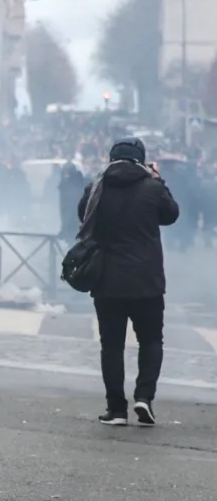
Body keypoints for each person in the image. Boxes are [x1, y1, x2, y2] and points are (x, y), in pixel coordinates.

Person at [83, 137, 180, 426]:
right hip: (146, 280)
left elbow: (82, 216)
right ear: (141, 160)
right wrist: (160, 181)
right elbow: (171, 215)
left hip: (107, 280)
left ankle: (116, 410)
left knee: (111, 345)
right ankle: (144, 397)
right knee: (151, 340)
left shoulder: (97, 187)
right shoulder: (152, 187)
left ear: (111, 158)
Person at [58, 161, 87, 240]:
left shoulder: (76, 185)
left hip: (76, 221)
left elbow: (73, 207)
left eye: (67, 173)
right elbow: (64, 209)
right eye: (64, 173)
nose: (66, 176)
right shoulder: (64, 186)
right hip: (70, 222)